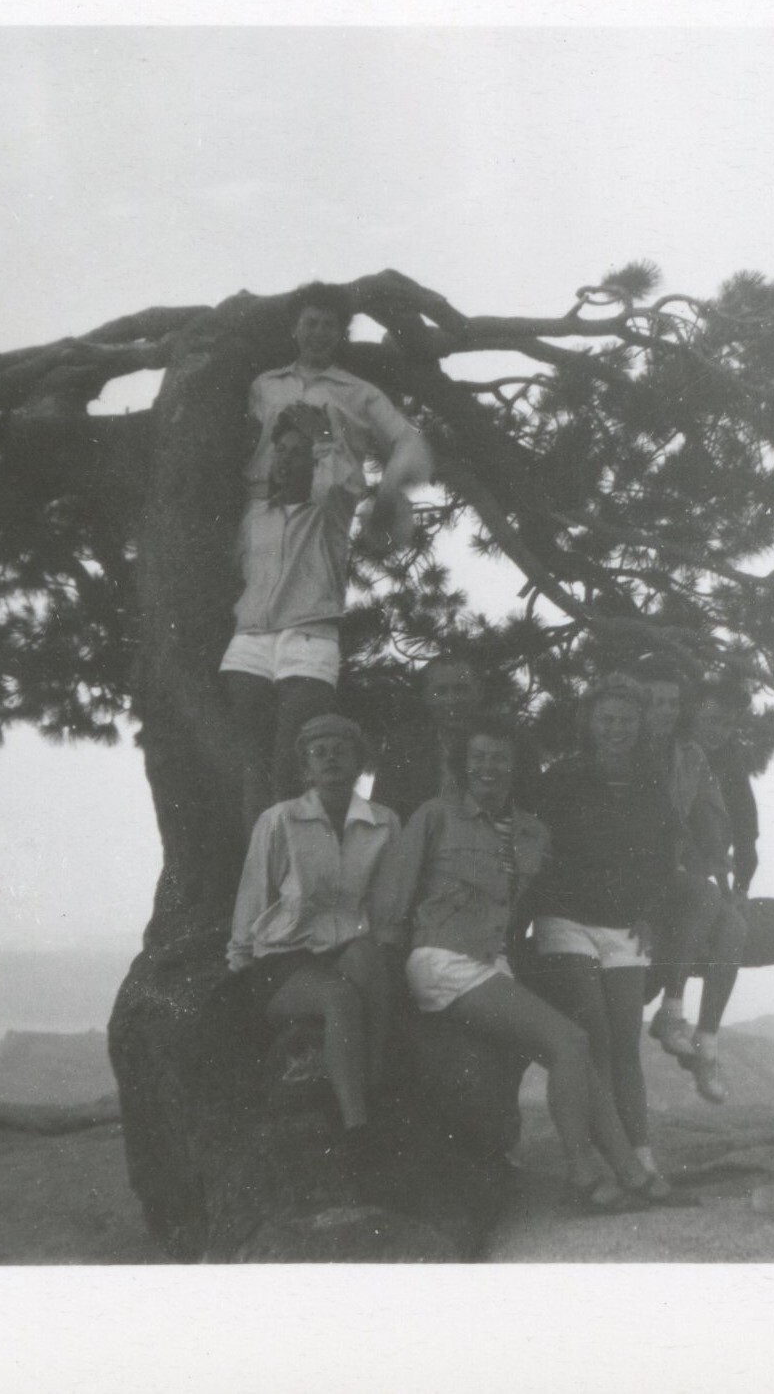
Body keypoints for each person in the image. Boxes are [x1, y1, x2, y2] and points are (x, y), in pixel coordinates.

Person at [370, 714, 662, 1209]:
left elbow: (552, 894)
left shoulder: (531, 832)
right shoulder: (435, 816)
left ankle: (632, 1172)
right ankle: (581, 1174)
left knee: (577, 1058)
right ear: (464, 765)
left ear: (516, 765)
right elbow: (391, 902)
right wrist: (388, 982)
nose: (489, 767)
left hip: (493, 962)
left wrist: (641, 913)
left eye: (501, 758)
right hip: (443, 957)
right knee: (569, 1040)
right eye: (479, 757)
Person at [221, 282, 434, 821]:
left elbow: (409, 443)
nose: (318, 333)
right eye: (309, 322)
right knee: (246, 764)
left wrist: (388, 490)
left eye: (329, 325)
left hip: (312, 616)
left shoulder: (358, 394)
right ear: (295, 328)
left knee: (292, 764)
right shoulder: (263, 387)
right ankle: (258, 885)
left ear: (341, 334)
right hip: (251, 618)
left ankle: (295, 876)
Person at [519, 676, 684, 1199]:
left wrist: (654, 913)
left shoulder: (653, 781)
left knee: (625, 1046)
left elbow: (664, 859)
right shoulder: (563, 776)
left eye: (626, 720)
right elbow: (533, 842)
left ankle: (641, 1156)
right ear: (590, 723)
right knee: (593, 1037)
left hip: (625, 924)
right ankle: (603, 1161)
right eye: (606, 719)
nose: (616, 729)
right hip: (565, 919)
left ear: (641, 727)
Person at [226, 713, 402, 1153]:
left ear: (360, 762)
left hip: (347, 946)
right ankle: (357, 1128)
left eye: (341, 750)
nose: (330, 759)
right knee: (338, 997)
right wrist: (239, 962)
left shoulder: (384, 823)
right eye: (318, 752)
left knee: (368, 959)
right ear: (305, 767)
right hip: (285, 957)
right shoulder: (280, 820)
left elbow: (384, 903)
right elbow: (253, 895)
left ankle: (376, 1078)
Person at [648, 678, 756, 1103]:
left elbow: (737, 826)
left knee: (735, 926)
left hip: (693, 871)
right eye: (711, 718)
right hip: (655, 870)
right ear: (693, 712)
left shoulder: (708, 760)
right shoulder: (665, 748)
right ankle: (671, 1010)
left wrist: (737, 882)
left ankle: (707, 1041)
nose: (718, 730)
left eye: (727, 724)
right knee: (707, 899)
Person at [370, 654, 482, 820]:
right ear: (426, 696)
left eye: (460, 689)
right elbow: (383, 817)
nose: (451, 700)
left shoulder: (506, 743)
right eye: (441, 691)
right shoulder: (403, 748)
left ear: (478, 692)